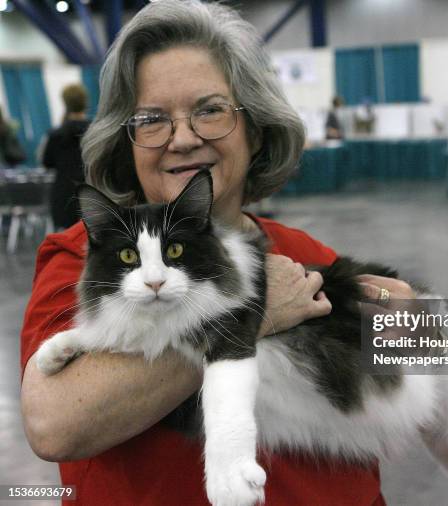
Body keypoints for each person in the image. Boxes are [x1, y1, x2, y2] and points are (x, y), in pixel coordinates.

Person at [20, 2, 412, 505]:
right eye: (152, 119)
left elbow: (420, 376)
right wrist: (255, 314)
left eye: (209, 110)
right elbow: (53, 424)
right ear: (128, 140)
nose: (183, 139)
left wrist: (416, 329)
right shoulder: (85, 259)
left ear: (256, 128)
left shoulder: (303, 253)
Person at [42, 84, 91, 230]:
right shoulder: (96, 131)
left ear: (65, 103)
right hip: (92, 190)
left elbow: (47, 162)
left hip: (64, 193)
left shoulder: (55, 134)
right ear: (85, 102)